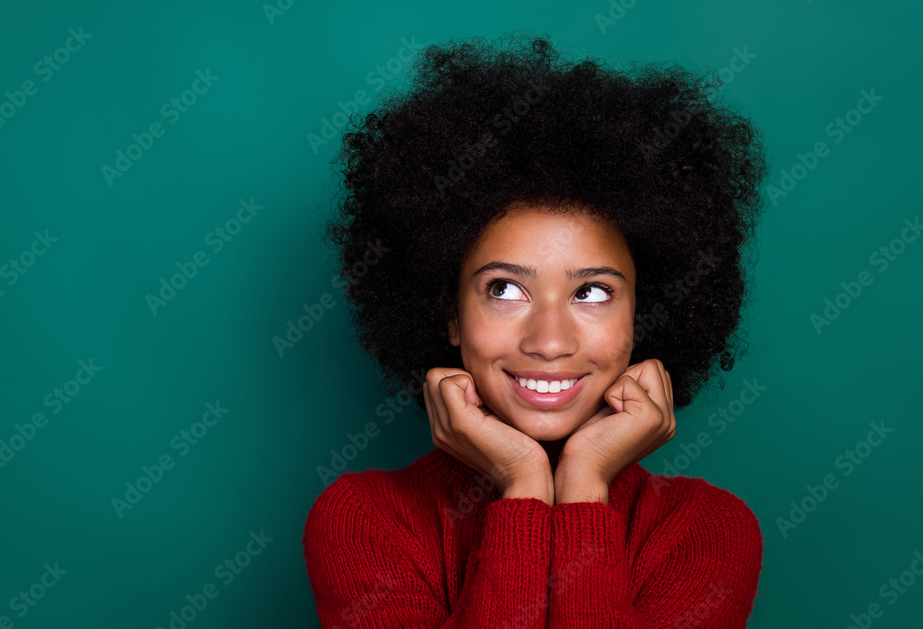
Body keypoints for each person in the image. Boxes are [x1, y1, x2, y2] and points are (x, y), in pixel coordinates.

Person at [303, 31, 769, 627]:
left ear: (642, 316)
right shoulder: (364, 518)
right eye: (504, 289)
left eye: (593, 292)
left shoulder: (707, 529)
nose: (549, 341)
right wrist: (521, 486)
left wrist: (583, 489)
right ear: (449, 312)